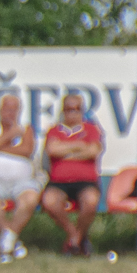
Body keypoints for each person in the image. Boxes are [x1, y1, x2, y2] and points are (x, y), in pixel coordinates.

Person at [0, 91, 41, 263]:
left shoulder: (25, 129)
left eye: (13, 110)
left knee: (31, 199)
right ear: (0, 110)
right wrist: (9, 137)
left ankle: (7, 241)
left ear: (19, 111)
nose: (9, 113)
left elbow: (26, 150)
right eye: (6, 109)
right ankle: (12, 241)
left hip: (22, 182)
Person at [40, 90, 103, 256]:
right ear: (63, 111)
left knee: (91, 201)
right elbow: (52, 150)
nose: (72, 113)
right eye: (69, 109)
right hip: (59, 181)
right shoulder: (54, 130)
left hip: (86, 181)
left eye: (76, 109)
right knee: (49, 202)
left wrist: (66, 152)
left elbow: (93, 151)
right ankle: (76, 238)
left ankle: (74, 242)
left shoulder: (91, 129)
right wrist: (79, 146)